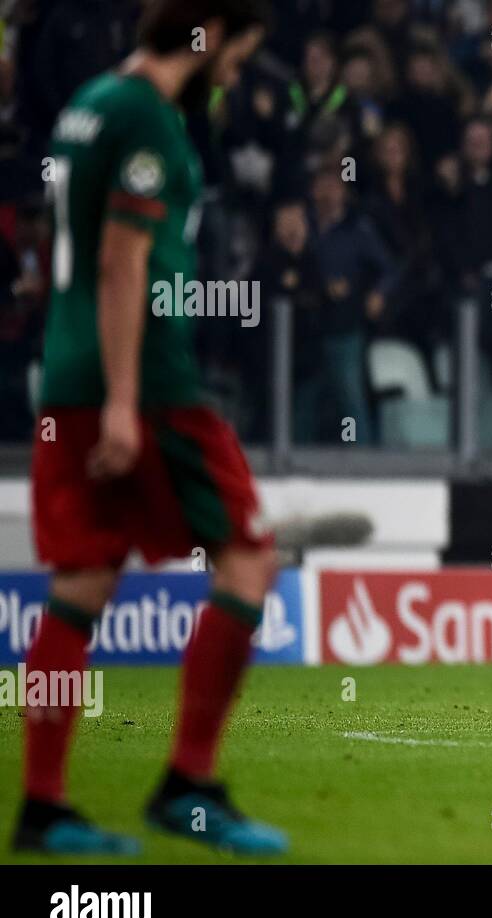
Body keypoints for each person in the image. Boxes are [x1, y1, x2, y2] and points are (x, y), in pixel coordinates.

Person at [14, 0, 286, 855]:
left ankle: (43, 807)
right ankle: (188, 781)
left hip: (66, 376)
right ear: (208, 37)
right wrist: (129, 400)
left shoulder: (89, 102)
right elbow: (122, 261)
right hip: (147, 386)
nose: (238, 72)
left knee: (83, 580)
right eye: (238, 53)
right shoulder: (147, 121)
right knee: (248, 554)